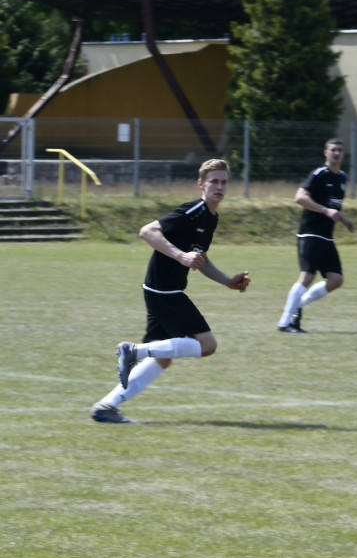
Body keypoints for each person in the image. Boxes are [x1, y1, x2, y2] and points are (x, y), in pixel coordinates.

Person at [90, 159, 251, 424]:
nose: (220, 186)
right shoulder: (195, 210)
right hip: (165, 291)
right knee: (207, 345)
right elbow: (148, 231)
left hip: (160, 289)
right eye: (214, 181)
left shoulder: (211, 216)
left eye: (224, 182)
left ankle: (106, 406)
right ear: (201, 184)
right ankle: (133, 351)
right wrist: (180, 256)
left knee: (162, 358)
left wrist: (227, 282)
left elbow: (200, 257)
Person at [277, 138, 356, 333]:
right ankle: (285, 322)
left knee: (336, 279)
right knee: (307, 277)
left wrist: (344, 220)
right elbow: (300, 197)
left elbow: (333, 207)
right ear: (326, 153)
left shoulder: (342, 178)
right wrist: (325, 211)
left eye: (339, 150)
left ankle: (298, 306)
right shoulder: (319, 174)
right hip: (310, 234)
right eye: (333, 150)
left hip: (327, 237)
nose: (336, 153)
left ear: (343, 155)